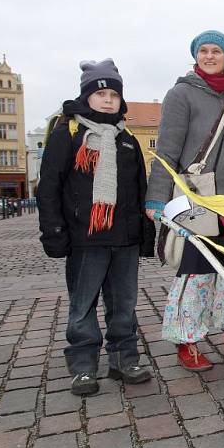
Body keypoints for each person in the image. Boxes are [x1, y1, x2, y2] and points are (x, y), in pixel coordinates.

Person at [145, 31, 224, 371]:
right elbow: (165, 152)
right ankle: (187, 341)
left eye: (216, 51)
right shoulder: (181, 94)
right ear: (195, 56)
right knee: (196, 272)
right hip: (199, 199)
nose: (209, 56)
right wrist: (156, 198)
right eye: (202, 51)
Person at [37, 59, 155, 396]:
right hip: (85, 238)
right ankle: (84, 362)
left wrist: (145, 236)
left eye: (113, 95)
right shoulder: (70, 134)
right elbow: (49, 187)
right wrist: (54, 231)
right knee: (83, 302)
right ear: (87, 96)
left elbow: (139, 190)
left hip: (125, 239)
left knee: (123, 303)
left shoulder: (128, 138)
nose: (107, 100)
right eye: (100, 93)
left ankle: (123, 358)